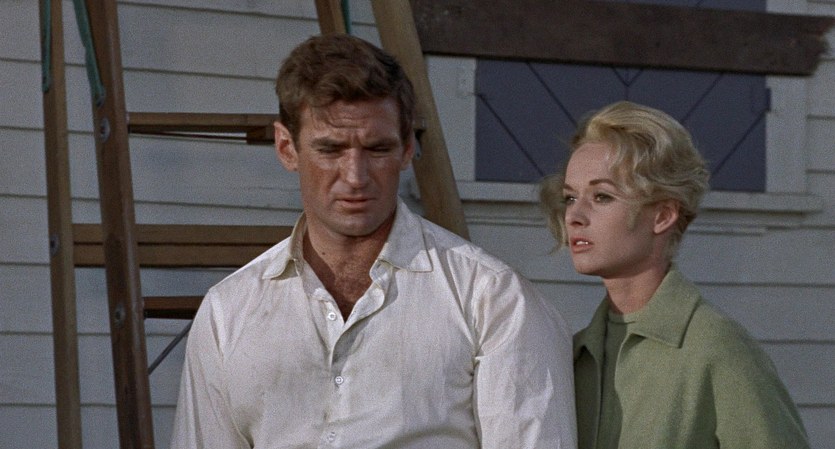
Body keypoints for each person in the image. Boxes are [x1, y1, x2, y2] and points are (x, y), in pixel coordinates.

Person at [170, 33, 577, 449]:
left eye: (377, 149)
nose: (355, 176)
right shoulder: (227, 312)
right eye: (331, 150)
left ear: (407, 149)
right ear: (287, 148)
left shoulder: (492, 298)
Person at [540, 101, 809, 449]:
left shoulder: (718, 349)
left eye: (602, 196)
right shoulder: (572, 356)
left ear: (663, 215)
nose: (574, 216)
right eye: (570, 197)